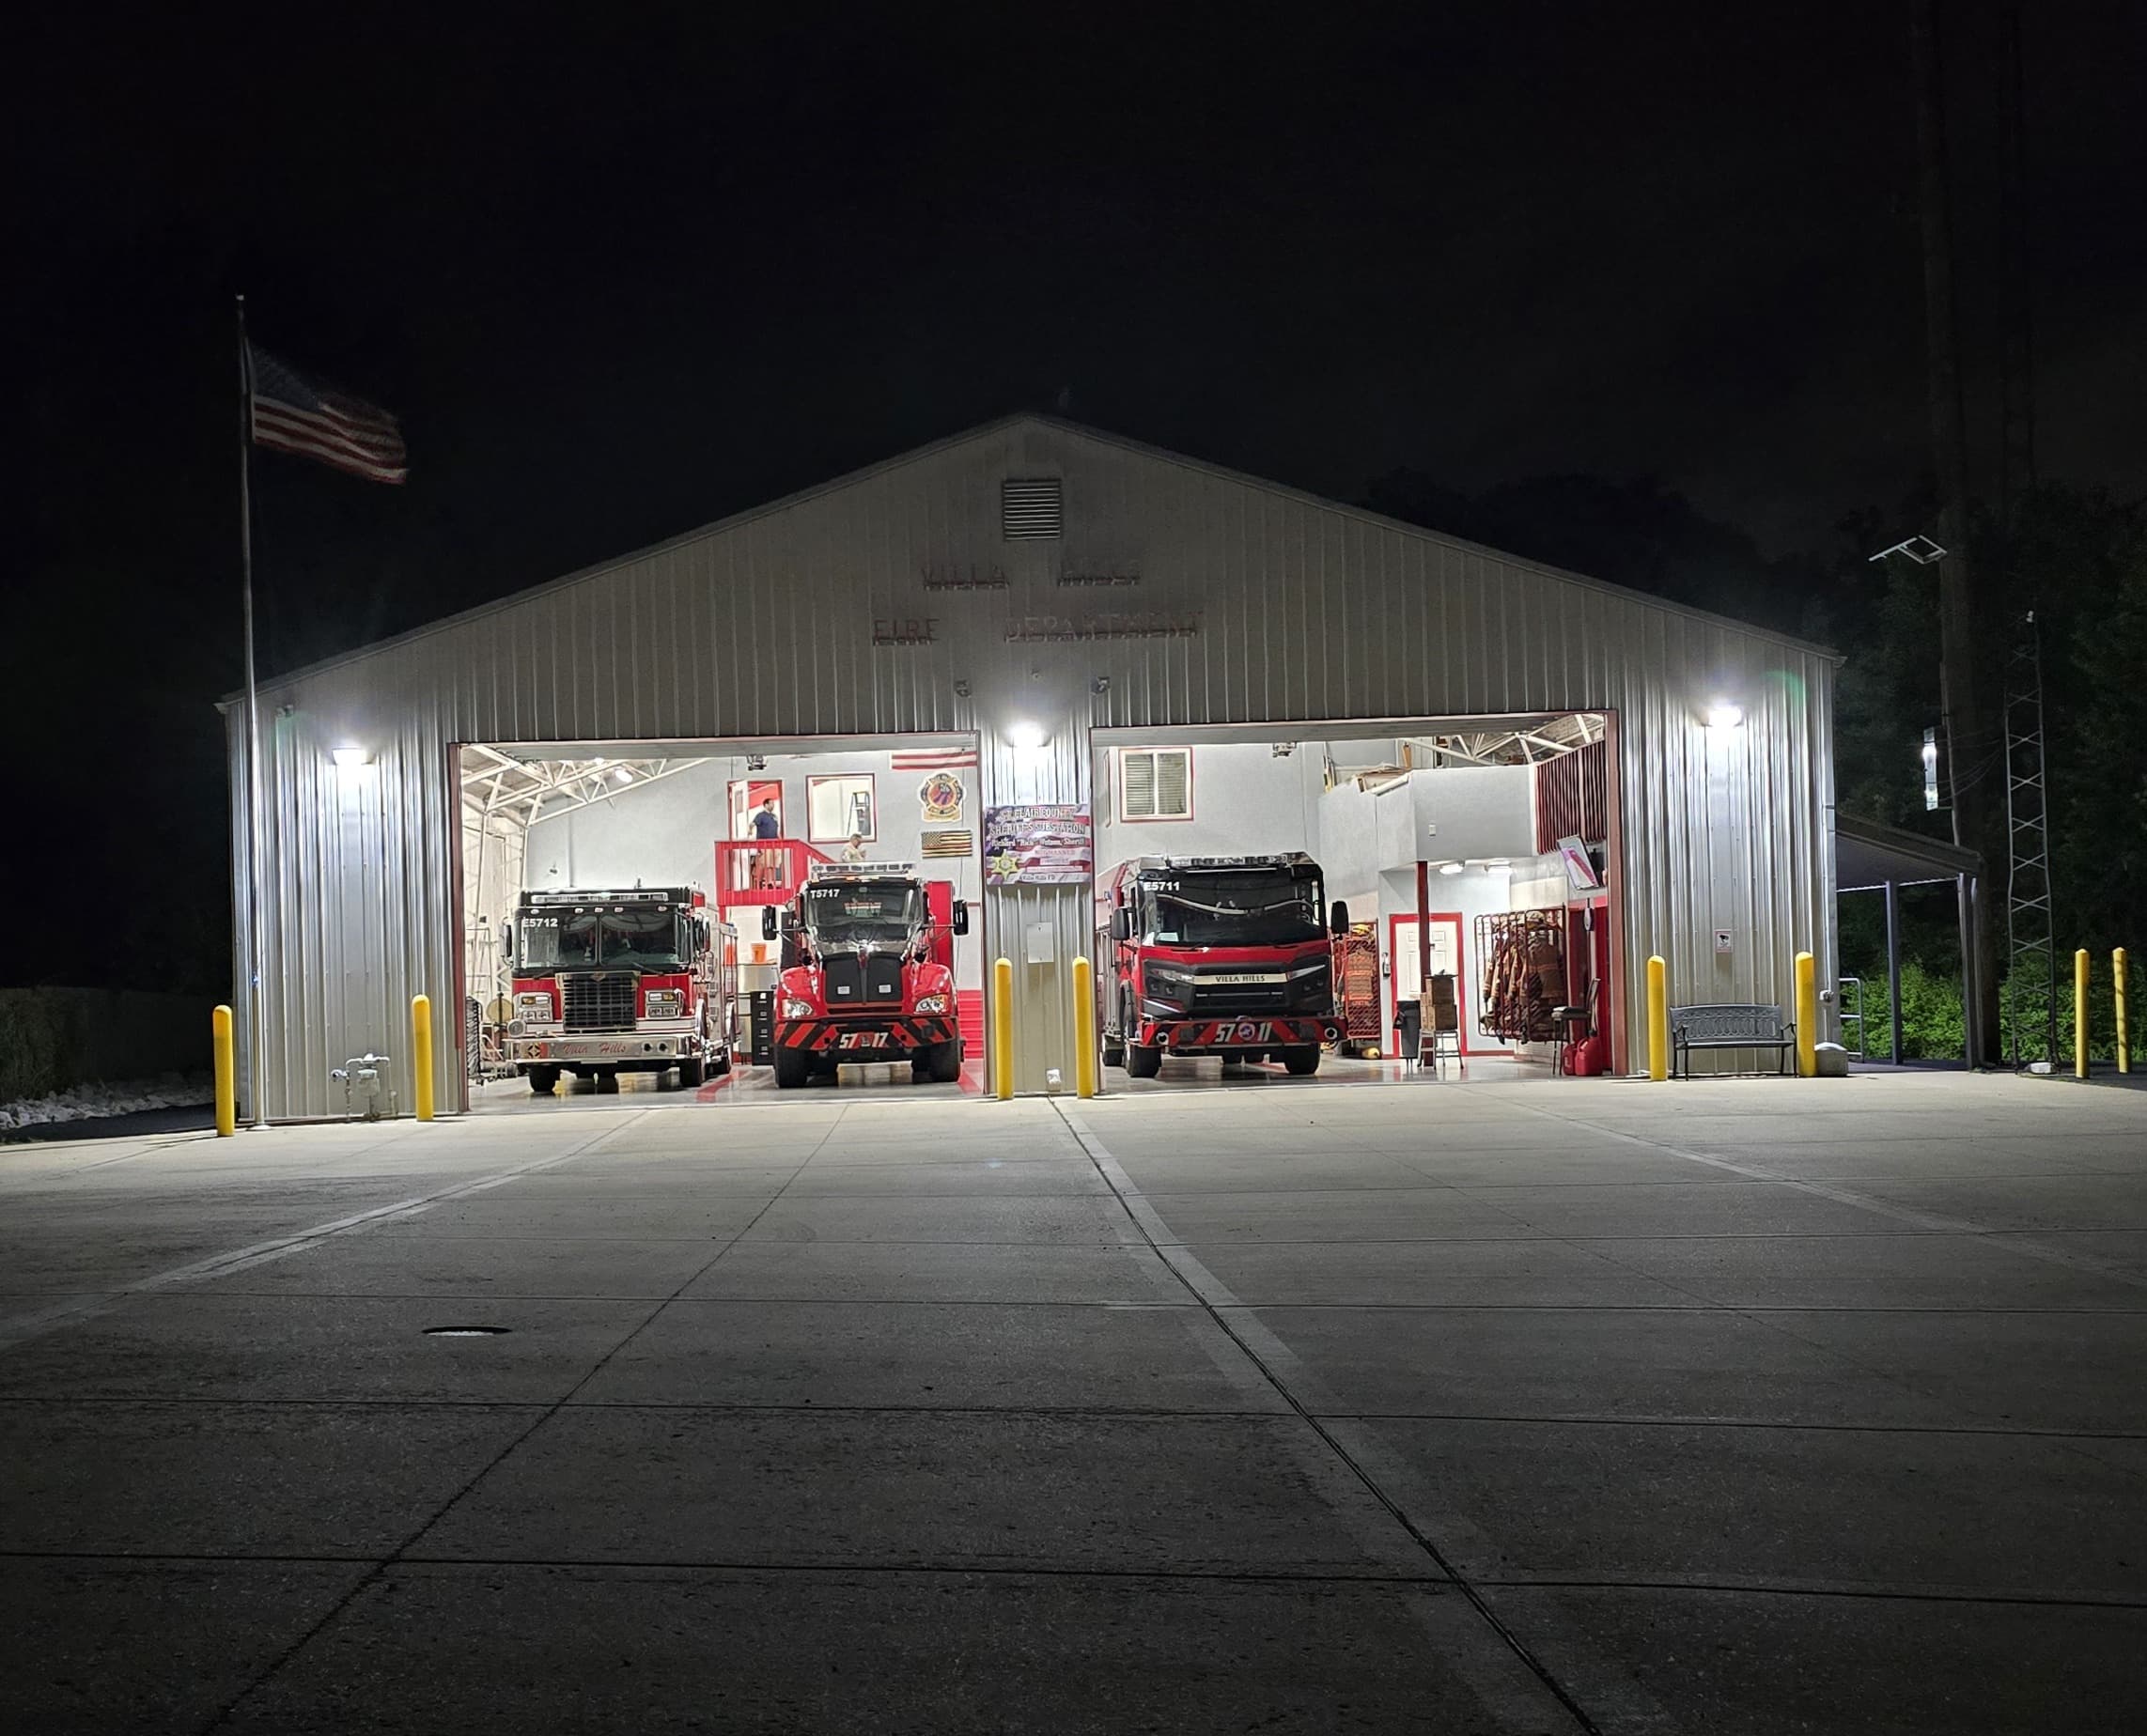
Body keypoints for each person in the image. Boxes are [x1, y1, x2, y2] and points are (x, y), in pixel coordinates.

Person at [751, 796, 782, 887]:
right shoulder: (761, 815)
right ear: (766, 805)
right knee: (764, 864)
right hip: (764, 844)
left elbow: (776, 830)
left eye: (773, 804)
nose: (773, 805)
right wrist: (750, 830)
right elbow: (752, 824)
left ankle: (771, 881)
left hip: (774, 843)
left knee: (773, 864)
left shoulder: (774, 816)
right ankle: (760, 881)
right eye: (771, 803)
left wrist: (779, 841)